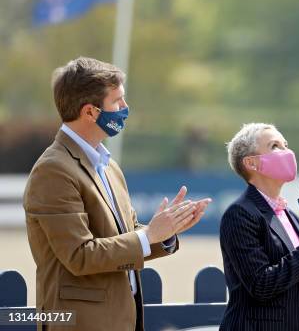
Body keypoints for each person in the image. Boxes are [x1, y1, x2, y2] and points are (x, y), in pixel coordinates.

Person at [23, 57, 211, 331]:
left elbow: (127, 235)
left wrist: (166, 232)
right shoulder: (53, 169)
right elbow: (79, 255)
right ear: (90, 112)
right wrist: (149, 235)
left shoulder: (109, 165)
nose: (125, 108)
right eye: (118, 101)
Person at [220, 123, 299, 331]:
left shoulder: (289, 214)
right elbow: (261, 284)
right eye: (274, 146)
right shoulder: (239, 214)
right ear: (251, 163)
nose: (287, 152)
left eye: (285, 144)